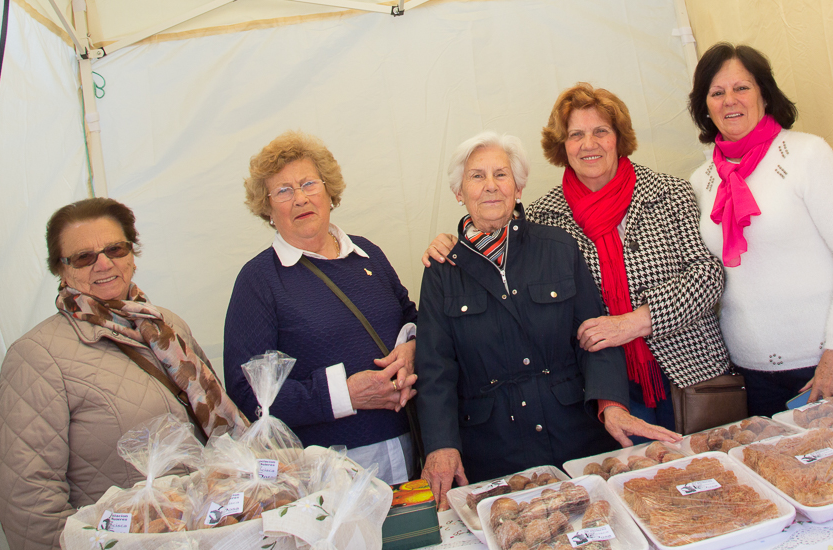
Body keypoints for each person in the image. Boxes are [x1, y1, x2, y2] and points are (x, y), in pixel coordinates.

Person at [425, 83, 731, 433]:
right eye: (576, 134)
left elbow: (707, 276)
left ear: (619, 137)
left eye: (601, 131)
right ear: (562, 146)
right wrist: (451, 241)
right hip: (603, 389)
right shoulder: (541, 216)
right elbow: (490, 228)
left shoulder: (668, 192)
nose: (589, 144)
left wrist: (633, 322)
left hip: (690, 371)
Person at [417, 131, 679, 510]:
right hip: (495, 451)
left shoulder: (558, 247)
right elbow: (435, 367)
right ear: (459, 193)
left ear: (519, 187)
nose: (490, 186)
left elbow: (595, 335)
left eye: (501, 175)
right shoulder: (443, 269)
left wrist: (611, 404)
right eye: (477, 176)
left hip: (577, 437)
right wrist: (441, 444)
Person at [0, 198, 248, 550]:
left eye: (115, 249)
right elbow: (28, 500)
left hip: (211, 532)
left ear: (132, 254)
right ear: (62, 270)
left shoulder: (167, 326)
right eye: (84, 257)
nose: (104, 263)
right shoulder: (38, 355)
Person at [687, 42, 833, 416]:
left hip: (827, 364)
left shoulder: (808, 154)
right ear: (705, 107)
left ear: (764, 93)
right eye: (717, 92)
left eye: (741, 88)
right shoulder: (701, 180)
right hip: (750, 373)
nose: (730, 100)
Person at [224, 130, 418, 484]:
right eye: (283, 191)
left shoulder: (367, 253)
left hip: (411, 446)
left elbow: (411, 317)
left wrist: (411, 347)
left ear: (329, 191)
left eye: (309, 184)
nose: (300, 199)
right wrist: (346, 394)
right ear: (267, 208)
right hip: (328, 469)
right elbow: (246, 391)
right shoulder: (259, 281)